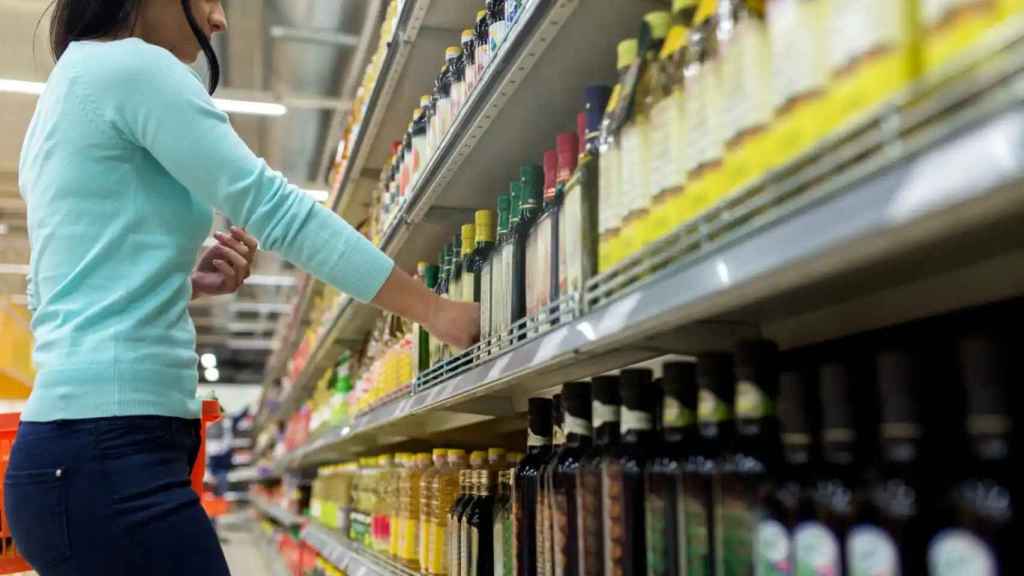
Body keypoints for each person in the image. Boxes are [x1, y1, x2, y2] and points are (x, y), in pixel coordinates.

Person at [3, 1, 479, 575]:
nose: (220, 19)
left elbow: (57, 290)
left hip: (76, 455)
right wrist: (434, 311)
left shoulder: (65, 89)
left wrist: (178, 284)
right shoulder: (130, 68)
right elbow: (275, 209)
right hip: (108, 457)